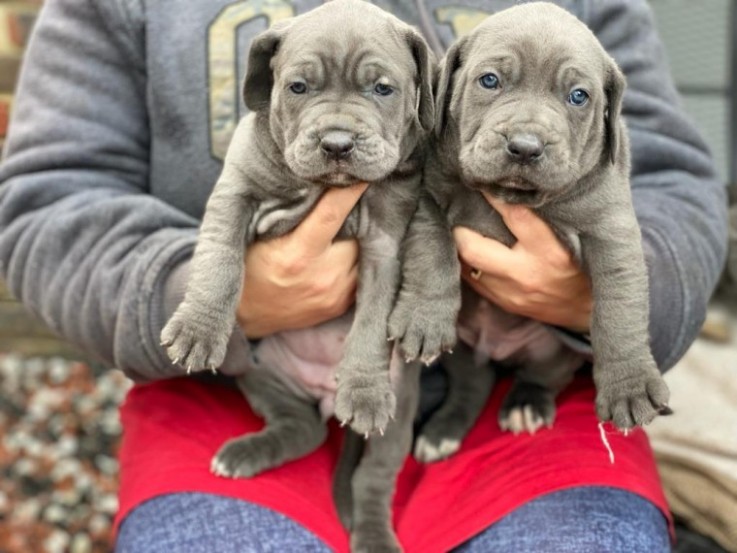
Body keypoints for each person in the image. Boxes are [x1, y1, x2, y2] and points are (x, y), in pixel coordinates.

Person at [0, 0, 727, 551]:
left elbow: (671, 182)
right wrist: (213, 293)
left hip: (520, 401)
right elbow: (48, 196)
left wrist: (591, 296)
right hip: (230, 389)